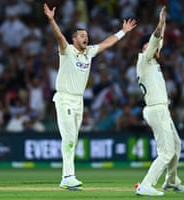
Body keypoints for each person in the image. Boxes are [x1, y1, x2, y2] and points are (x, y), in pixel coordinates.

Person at [43, 3, 137, 190]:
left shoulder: (89, 53)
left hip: (79, 100)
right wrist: (52, 20)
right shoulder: (67, 51)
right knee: (69, 138)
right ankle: (68, 176)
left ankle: (66, 177)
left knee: (73, 139)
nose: (86, 38)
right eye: (82, 36)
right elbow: (59, 37)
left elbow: (106, 43)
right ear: (74, 39)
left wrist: (122, 32)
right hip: (64, 98)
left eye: (86, 35)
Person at [135, 6, 184, 196]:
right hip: (155, 109)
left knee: (177, 145)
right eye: (151, 46)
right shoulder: (144, 60)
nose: (156, 48)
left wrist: (163, 24)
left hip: (161, 109)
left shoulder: (153, 61)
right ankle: (146, 185)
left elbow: (159, 40)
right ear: (144, 48)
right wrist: (160, 23)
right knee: (166, 152)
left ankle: (171, 180)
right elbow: (155, 38)